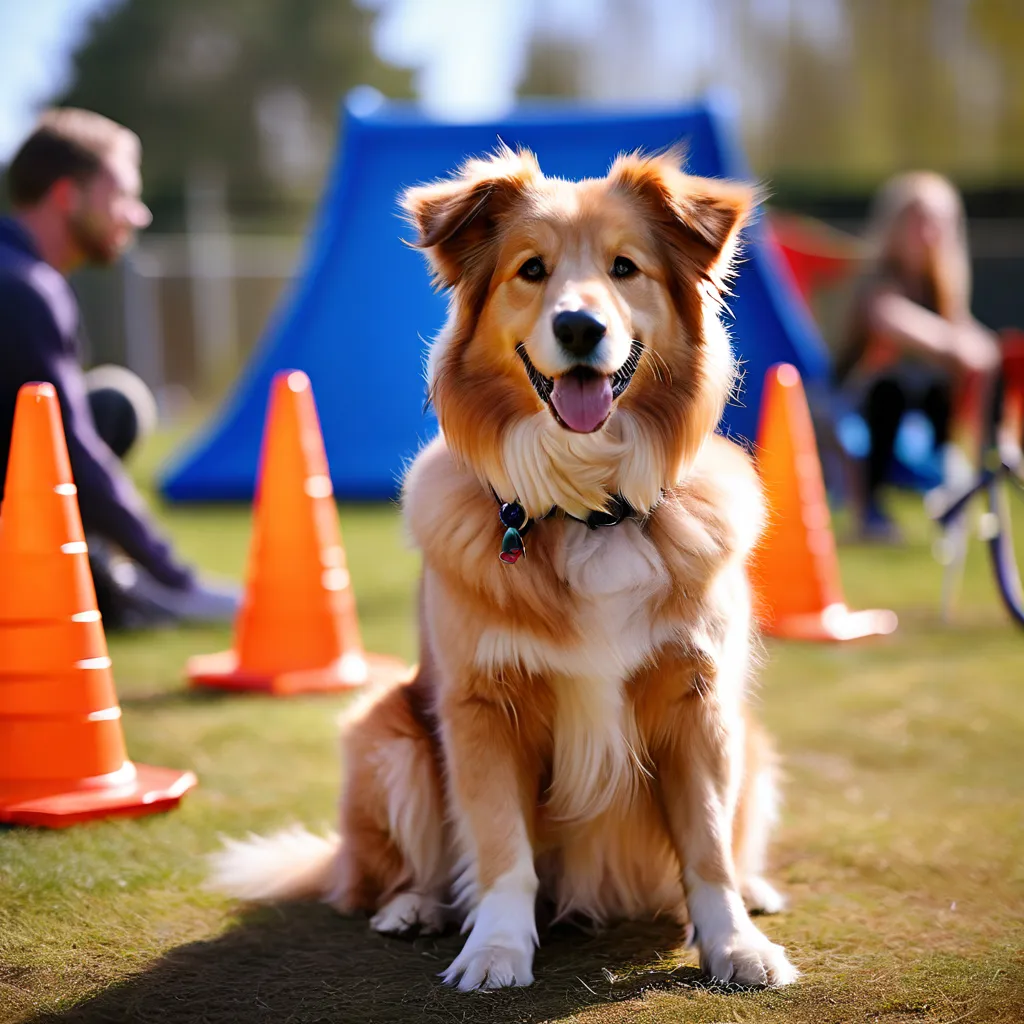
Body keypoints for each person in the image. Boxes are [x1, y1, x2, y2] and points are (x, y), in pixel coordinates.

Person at [0, 108, 238, 628]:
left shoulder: (20, 275)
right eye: (123, 195)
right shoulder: (24, 289)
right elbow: (74, 453)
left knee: (112, 405)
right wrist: (177, 578)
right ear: (68, 196)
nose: (137, 214)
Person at [834, 171, 1001, 541]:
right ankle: (868, 512)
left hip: (921, 414)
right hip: (858, 411)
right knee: (890, 388)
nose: (930, 232)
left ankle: (959, 484)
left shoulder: (940, 290)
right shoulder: (879, 282)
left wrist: (978, 349)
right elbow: (894, 319)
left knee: (940, 386)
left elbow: (979, 348)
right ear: (895, 224)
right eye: (919, 219)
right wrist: (960, 345)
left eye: (940, 222)